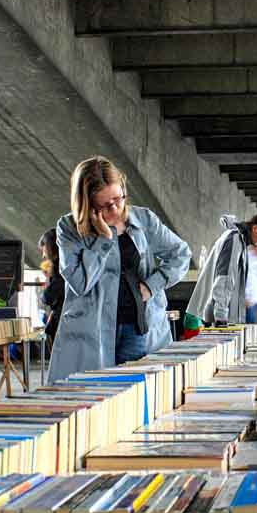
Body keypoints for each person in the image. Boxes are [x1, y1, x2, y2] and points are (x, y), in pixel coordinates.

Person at [50, 157, 191, 378]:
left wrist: (150, 286)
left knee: (134, 398)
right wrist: (105, 239)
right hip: (91, 333)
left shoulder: (144, 220)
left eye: (118, 198)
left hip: (137, 328)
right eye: (105, 205)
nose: (115, 209)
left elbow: (180, 254)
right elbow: (79, 283)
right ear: (87, 204)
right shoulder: (68, 228)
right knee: (93, 401)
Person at [187, 214, 257, 326]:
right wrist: (221, 316)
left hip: (209, 311)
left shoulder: (238, 240)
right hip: (209, 314)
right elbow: (224, 279)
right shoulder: (235, 240)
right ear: (255, 228)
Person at [39, 227, 65, 344]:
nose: (43, 255)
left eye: (44, 250)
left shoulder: (60, 268)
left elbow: (47, 297)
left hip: (63, 320)